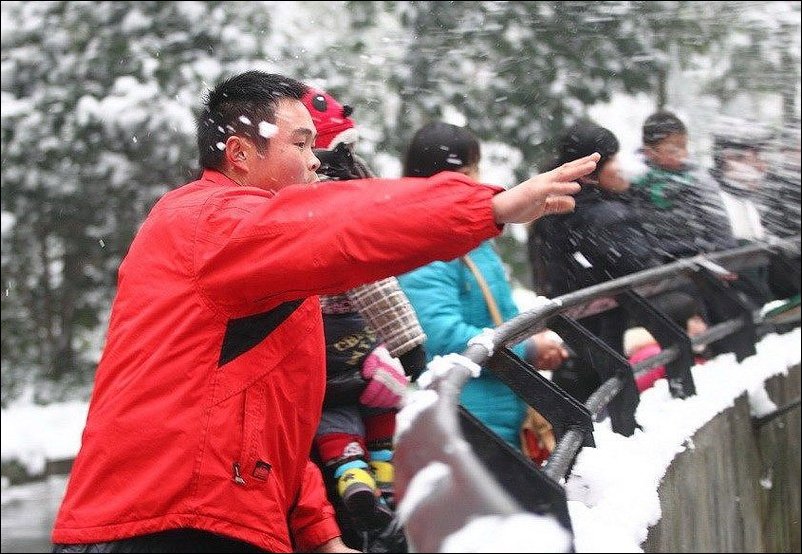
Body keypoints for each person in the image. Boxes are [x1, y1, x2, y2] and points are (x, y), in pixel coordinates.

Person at [50, 70, 599, 553]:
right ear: (241, 153)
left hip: (201, 514)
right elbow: (341, 223)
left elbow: (276, 422)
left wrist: (319, 532)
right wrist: (487, 206)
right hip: (167, 523)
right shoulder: (208, 221)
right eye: (302, 143)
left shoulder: (256, 254)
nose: (316, 161)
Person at [397, 121, 569, 453]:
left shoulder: (470, 236)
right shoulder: (428, 243)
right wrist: (527, 350)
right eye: (471, 170)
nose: (478, 181)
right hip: (472, 415)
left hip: (499, 404)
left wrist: (531, 341)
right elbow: (440, 334)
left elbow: (501, 310)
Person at [300, 87, 424, 543]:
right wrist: (410, 344)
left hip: (309, 347)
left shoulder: (284, 199)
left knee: (333, 420)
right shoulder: (342, 201)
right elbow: (373, 283)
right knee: (382, 401)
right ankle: (383, 488)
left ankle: (352, 477)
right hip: (354, 336)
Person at [528, 119, 660, 402]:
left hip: (578, 341)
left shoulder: (552, 209)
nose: (622, 166)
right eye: (613, 159)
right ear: (590, 173)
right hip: (614, 336)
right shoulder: (608, 216)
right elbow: (650, 272)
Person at [630, 111, 733, 262]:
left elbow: (717, 221)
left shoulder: (696, 179)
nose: (683, 154)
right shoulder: (638, 180)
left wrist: (725, 256)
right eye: (674, 150)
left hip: (698, 254)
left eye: (684, 147)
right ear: (650, 153)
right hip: (659, 259)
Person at [622, 291, 709, 393]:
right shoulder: (654, 356)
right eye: (696, 320)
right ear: (676, 323)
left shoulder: (678, 350)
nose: (704, 326)